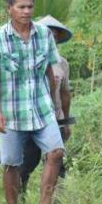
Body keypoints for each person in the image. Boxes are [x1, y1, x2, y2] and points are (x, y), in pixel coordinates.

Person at [0, 0, 64, 204]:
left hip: (41, 108)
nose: (26, 11)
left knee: (56, 152)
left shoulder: (44, 35)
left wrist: (55, 105)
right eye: (21, 7)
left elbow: (50, 72)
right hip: (11, 112)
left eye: (30, 6)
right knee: (11, 164)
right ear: (10, 9)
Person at [19, 15, 73, 193]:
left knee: (56, 159)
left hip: (54, 118)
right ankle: (19, 196)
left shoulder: (62, 63)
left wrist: (65, 121)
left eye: (55, 36)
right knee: (28, 161)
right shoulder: (24, 58)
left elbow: (65, 94)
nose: (52, 39)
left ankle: (52, 203)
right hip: (29, 119)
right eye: (48, 34)